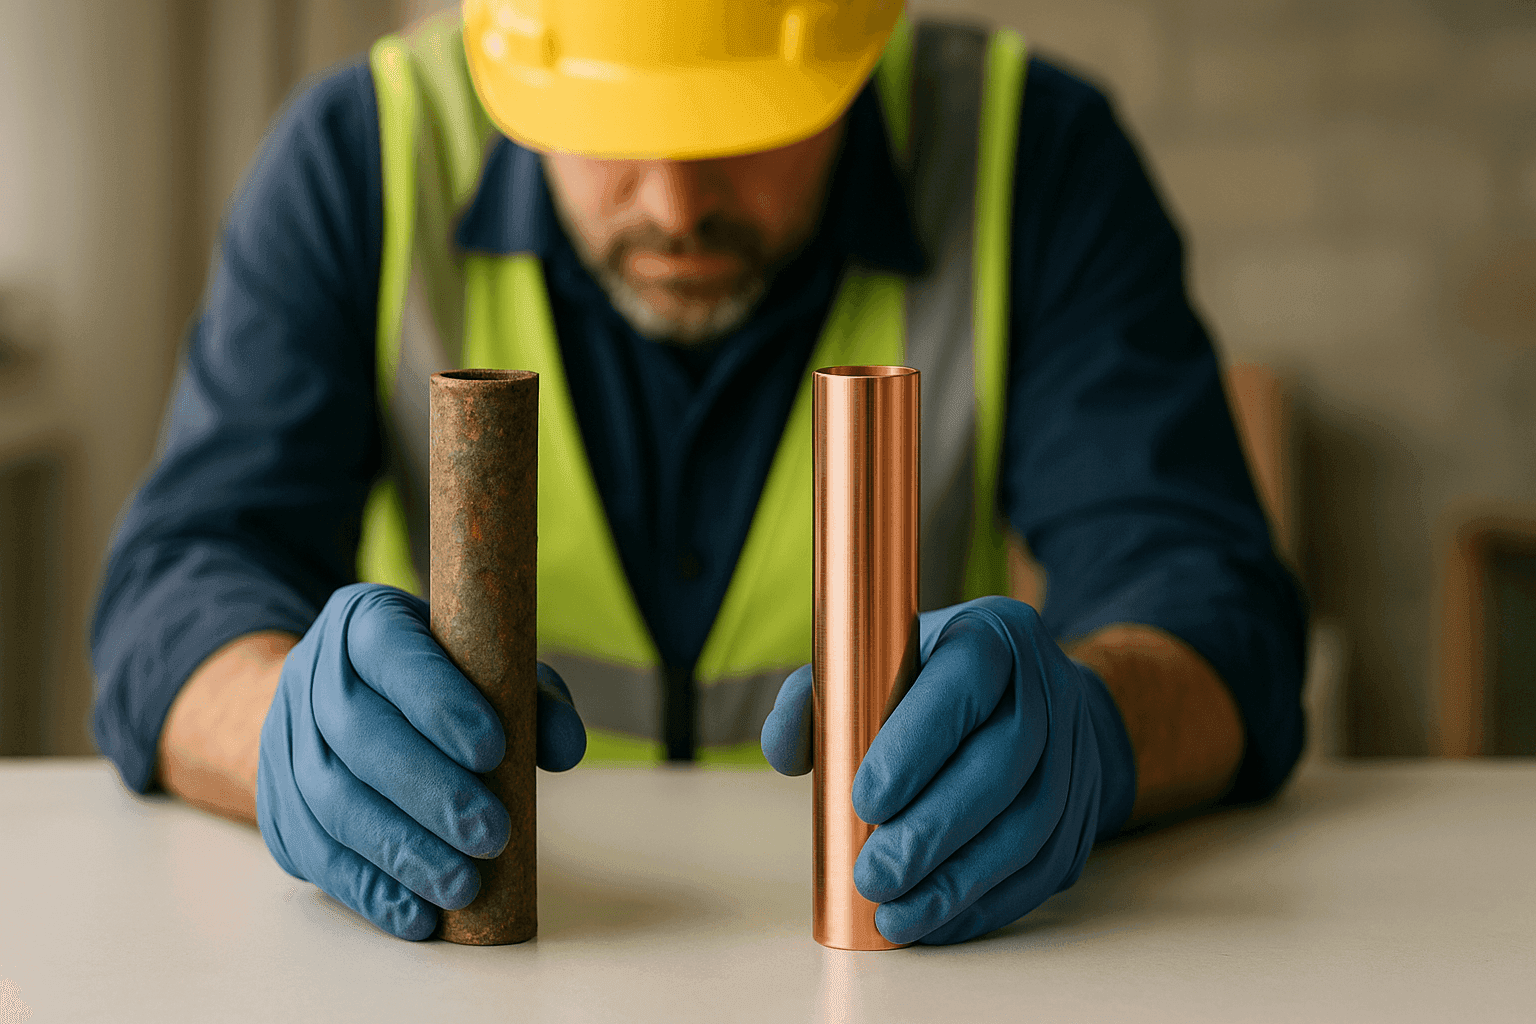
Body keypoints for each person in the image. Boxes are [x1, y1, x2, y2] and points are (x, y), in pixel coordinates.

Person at [91, 0, 1306, 945]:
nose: (675, 204)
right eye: (611, 130)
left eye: (749, 122)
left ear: (856, 46)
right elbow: (175, 589)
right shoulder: (360, 155)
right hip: (478, 972)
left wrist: (1090, 727)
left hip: (895, 962)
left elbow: (1213, 610)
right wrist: (286, 735)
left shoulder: (1033, 156)